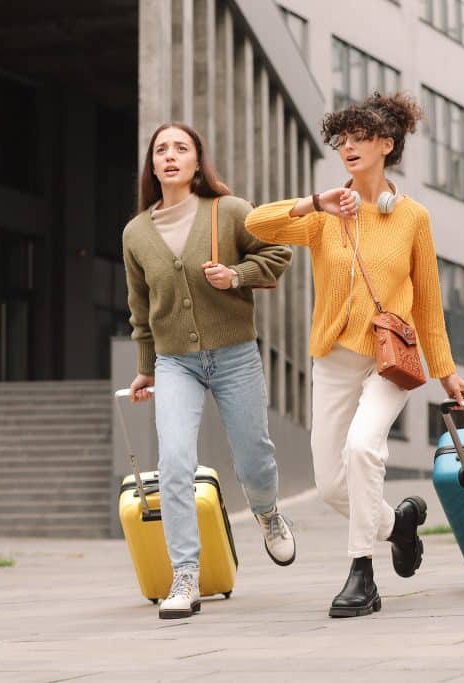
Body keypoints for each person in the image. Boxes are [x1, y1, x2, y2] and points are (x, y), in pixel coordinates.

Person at [245, 92, 464, 618]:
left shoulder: (413, 218)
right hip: (334, 358)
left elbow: (430, 305)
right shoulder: (326, 216)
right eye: (341, 140)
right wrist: (312, 203)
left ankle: (361, 575)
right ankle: (400, 525)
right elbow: (257, 224)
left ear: (386, 145)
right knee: (331, 486)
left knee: (364, 450)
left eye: (359, 139)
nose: (347, 147)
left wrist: (447, 373)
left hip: (391, 358)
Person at [122, 122, 296, 620]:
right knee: (175, 462)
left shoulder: (230, 211)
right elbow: (140, 308)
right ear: (152, 166)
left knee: (253, 456)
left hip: (235, 353)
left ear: (198, 162)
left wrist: (236, 275)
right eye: (162, 150)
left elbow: (278, 252)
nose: (171, 156)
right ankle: (184, 574)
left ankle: (268, 514)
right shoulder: (136, 233)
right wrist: (145, 369)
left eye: (182, 148)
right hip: (174, 361)